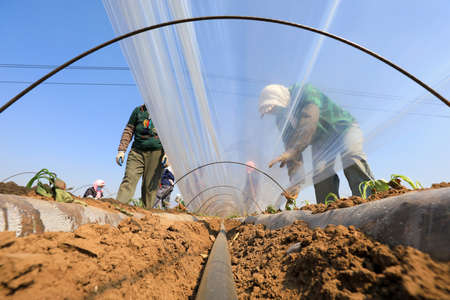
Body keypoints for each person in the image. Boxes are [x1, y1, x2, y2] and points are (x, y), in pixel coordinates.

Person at [259, 83, 374, 204]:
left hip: (342, 128)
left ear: (279, 98)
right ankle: (327, 207)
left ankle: (368, 199)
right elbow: (290, 148)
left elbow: (309, 119)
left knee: (350, 156)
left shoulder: (304, 91)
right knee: (320, 172)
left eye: (273, 108)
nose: (274, 113)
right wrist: (295, 182)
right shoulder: (281, 119)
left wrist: (293, 150)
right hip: (321, 140)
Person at [115, 104, 165, 209]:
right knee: (129, 179)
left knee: (149, 187)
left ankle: (147, 213)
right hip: (137, 152)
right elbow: (128, 131)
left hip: (156, 153)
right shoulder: (138, 111)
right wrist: (121, 150)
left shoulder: (165, 112)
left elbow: (171, 134)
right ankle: (118, 208)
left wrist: (168, 153)